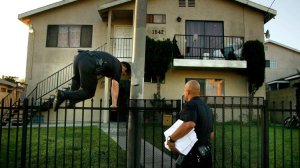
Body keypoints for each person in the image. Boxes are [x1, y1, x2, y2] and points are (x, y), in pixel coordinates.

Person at [54, 50, 131, 111]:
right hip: (89, 62)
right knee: (88, 92)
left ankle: (71, 102)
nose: (121, 75)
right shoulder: (118, 66)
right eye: (123, 74)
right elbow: (115, 84)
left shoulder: (111, 61)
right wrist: (114, 104)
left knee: (76, 80)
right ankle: (63, 94)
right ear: (124, 67)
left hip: (79, 57)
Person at [166, 80, 213, 168]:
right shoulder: (208, 109)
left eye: (184, 90)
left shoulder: (190, 105)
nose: (184, 93)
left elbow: (189, 124)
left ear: (188, 92)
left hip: (192, 157)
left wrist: (171, 139)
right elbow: (211, 134)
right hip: (206, 154)